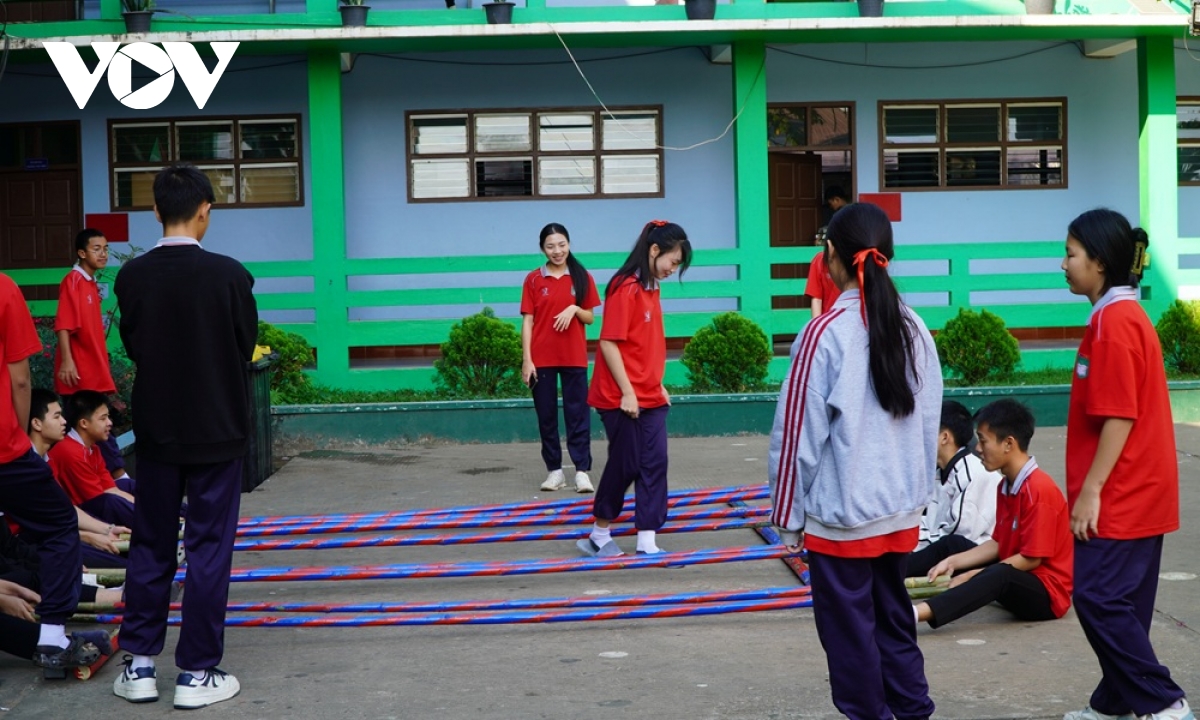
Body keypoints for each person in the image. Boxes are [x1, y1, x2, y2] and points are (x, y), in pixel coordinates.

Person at [768, 202, 941, 720]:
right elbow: (930, 424)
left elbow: (796, 435)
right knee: (893, 621)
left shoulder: (824, 333)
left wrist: (787, 519)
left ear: (830, 257)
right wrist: (919, 498)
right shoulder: (916, 328)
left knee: (850, 640)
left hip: (842, 521)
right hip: (899, 514)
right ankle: (913, 710)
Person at [112, 163, 258, 710]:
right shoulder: (230, 275)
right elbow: (243, 348)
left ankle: (140, 665)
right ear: (205, 211)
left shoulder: (132, 278)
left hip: (156, 432)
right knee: (208, 548)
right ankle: (196, 673)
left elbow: (136, 345)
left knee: (150, 543)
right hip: (218, 430)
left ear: (154, 211)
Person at [1061, 209, 1191, 720]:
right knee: (1126, 605)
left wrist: (1091, 491)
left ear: (1099, 261)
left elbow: (1118, 415)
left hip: (1122, 493)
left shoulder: (1115, 323)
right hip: (1140, 489)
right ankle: (1115, 704)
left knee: (1097, 599)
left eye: (1071, 254)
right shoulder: (1119, 316)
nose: (1064, 264)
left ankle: (1163, 703)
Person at [575, 221, 691, 558]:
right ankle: (599, 532)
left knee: (655, 461)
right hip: (618, 394)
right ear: (654, 251)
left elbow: (645, 344)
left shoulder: (652, 287)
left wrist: (657, 385)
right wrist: (628, 391)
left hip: (648, 392)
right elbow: (609, 343)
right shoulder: (625, 287)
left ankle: (647, 539)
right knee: (627, 462)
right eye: (673, 261)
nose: (673, 269)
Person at [0, 272, 93, 671]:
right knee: (58, 525)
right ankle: (52, 634)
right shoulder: (4, 288)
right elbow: (21, 380)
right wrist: (20, 439)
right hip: (5, 450)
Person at [913, 399, 1073, 629]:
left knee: (999, 574)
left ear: (1008, 444)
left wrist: (973, 575)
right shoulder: (1006, 485)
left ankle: (917, 614)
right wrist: (953, 561)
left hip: (1045, 593)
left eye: (983, 440)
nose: (977, 448)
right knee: (952, 545)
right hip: (1013, 572)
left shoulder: (1038, 489)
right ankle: (882, 580)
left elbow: (1031, 559)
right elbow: (998, 543)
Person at [520, 223, 602, 494]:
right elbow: (528, 322)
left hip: (574, 357)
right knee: (546, 416)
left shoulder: (582, 276)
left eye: (562, 244)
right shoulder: (533, 279)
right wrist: (527, 359)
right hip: (541, 358)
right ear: (542, 248)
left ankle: (581, 472)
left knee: (577, 415)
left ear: (569, 243)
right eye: (550, 246)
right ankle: (555, 472)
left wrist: (574, 308)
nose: (557, 251)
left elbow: (590, 317)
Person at [54, 229, 129, 488]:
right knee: (95, 424)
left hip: (92, 370)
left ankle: (109, 480)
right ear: (81, 253)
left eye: (106, 248)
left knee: (95, 426)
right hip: (80, 373)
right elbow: (63, 324)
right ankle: (118, 479)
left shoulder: (89, 282)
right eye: (96, 249)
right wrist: (67, 361)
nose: (103, 253)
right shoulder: (73, 280)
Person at [27, 388, 130, 571]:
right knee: (110, 503)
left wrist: (106, 529)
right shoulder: (61, 455)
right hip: (37, 544)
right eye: (57, 416)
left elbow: (65, 510)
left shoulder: (44, 460)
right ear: (36, 423)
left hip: (68, 530)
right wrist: (90, 535)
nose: (64, 422)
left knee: (123, 488)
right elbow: (96, 500)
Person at [907, 400, 1001, 578]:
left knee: (950, 544)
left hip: (976, 552)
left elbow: (960, 532)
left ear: (944, 437)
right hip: (942, 546)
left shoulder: (973, 473)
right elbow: (929, 523)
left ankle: (891, 573)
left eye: (925, 432)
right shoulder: (938, 473)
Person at [48, 390, 134, 528]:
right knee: (110, 501)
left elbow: (111, 488)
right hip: (81, 512)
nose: (109, 423)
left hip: (98, 499)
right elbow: (97, 498)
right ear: (84, 423)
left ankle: (171, 515)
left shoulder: (93, 448)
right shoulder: (71, 453)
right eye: (103, 418)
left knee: (128, 485)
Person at [806, 187, 849, 318]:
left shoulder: (862, 260)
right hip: (828, 323)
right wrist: (816, 328)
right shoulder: (820, 261)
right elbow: (816, 299)